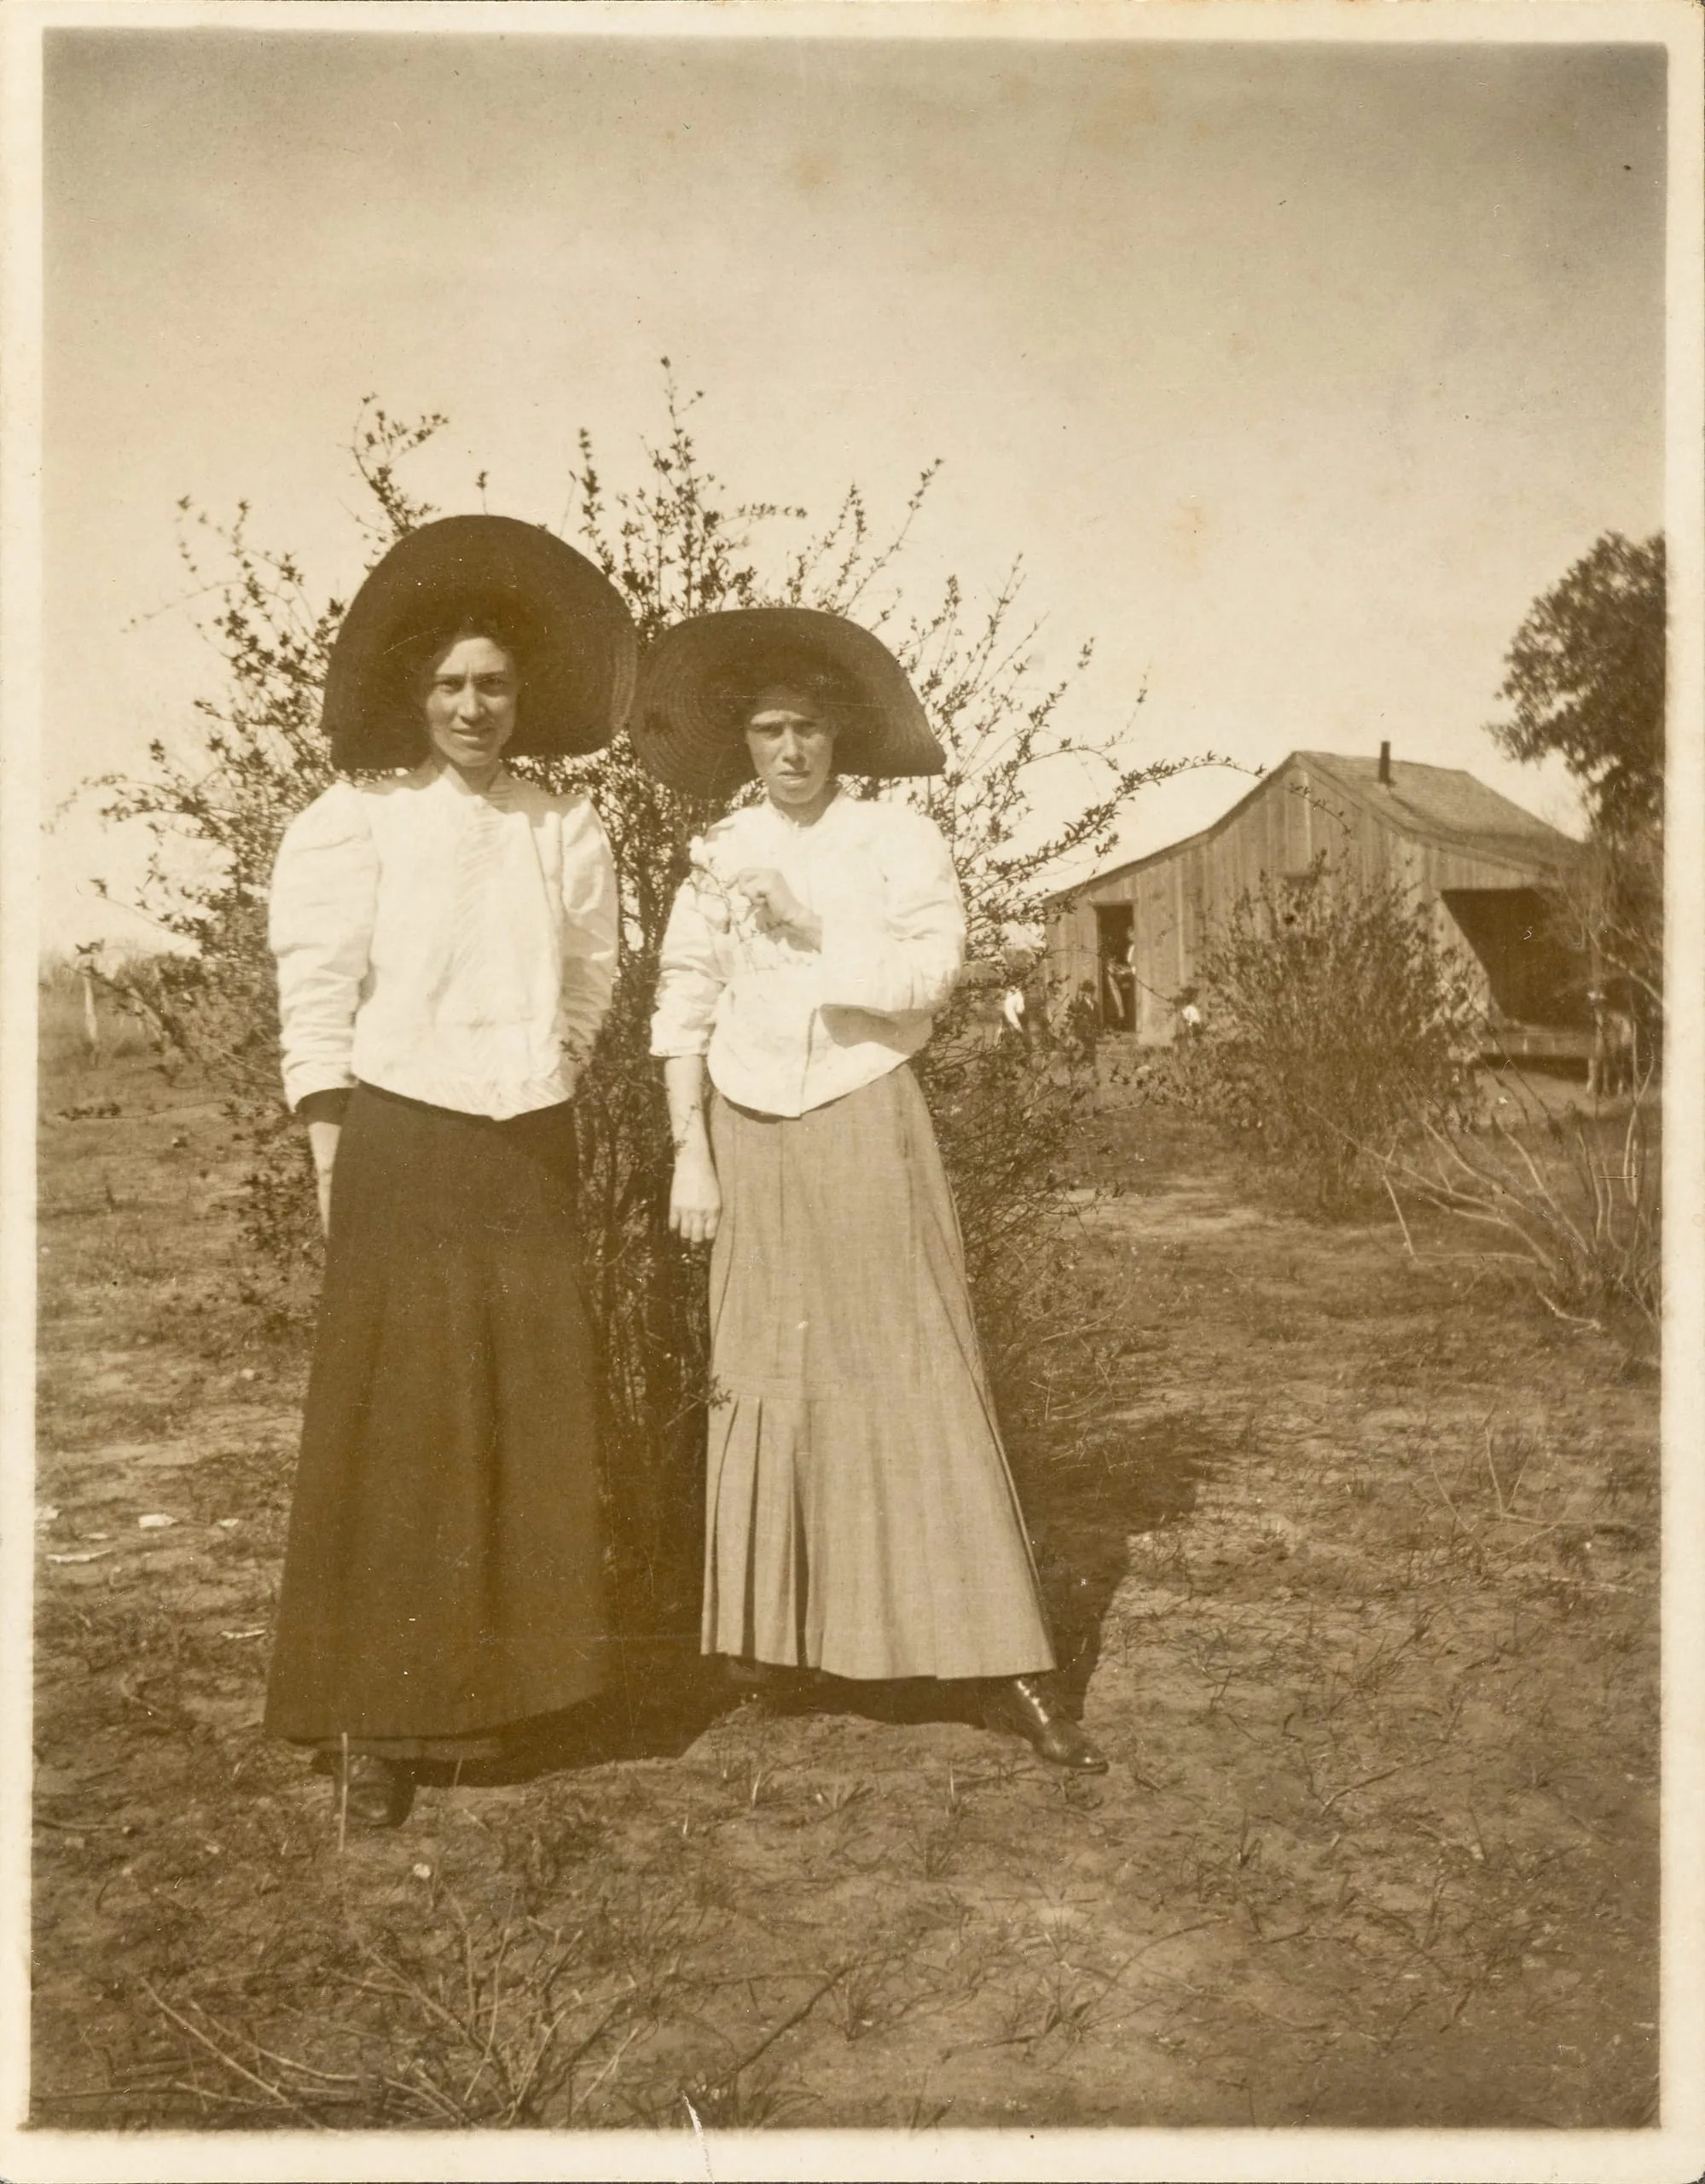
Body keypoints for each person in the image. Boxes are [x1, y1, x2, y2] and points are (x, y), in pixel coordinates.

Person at [635, 606, 1105, 1772]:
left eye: (807, 728)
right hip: (747, 1129)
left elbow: (930, 976)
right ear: (744, 741)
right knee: (768, 1370)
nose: (789, 750)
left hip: (861, 1110)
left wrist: (813, 924)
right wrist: (690, 1149)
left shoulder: (897, 840)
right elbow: (683, 1003)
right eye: (767, 730)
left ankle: (999, 1662)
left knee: (911, 1367)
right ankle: (778, 1647)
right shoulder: (716, 852)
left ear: (838, 734)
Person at [264, 515, 635, 1827]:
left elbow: (592, 974)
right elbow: (316, 985)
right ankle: (373, 1726)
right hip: (400, 1138)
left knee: (521, 1412)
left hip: (525, 1139)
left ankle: (504, 1704)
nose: (473, 708)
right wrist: (330, 1139)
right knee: (398, 1422)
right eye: (451, 686)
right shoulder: (355, 820)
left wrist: (549, 1059)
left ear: (521, 698)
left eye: (494, 686)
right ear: (415, 697)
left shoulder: (562, 826)